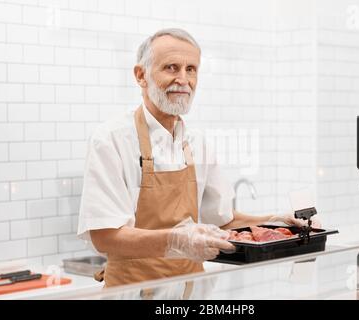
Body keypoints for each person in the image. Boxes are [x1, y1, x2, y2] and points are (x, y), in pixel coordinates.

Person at [77, 28, 320, 292]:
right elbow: (105, 237)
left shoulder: (197, 142)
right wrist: (177, 241)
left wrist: (273, 221)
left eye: (191, 69)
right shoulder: (110, 140)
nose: (183, 79)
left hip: (189, 291)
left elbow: (222, 220)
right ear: (141, 75)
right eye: (171, 68)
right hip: (131, 292)